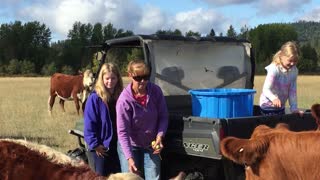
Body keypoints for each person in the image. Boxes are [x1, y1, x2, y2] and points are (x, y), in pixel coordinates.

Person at [116, 60, 168, 180]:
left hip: (151, 144)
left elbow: (163, 116)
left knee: (153, 177)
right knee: (130, 177)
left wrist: (160, 136)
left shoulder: (156, 91)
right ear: (130, 75)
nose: (143, 81)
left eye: (146, 77)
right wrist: (129, 158)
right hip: (130, 145)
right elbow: (122, 132)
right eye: (138, 78)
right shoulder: (124, 101)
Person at [84, 62, 123, 176]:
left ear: (118, 78)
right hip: (102, 147)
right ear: (102, 78)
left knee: (118, 176)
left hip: (118, 145)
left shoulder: (121, 96)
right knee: (102, 176)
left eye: (113, 78)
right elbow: (89, 123)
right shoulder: (95, 98)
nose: (110, 81)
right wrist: (95, 144)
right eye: (107, 78)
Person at [259, 41, 303, 116]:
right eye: (290, 60)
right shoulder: (274, 68)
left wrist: (294, 108)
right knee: (272, 126)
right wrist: (273, 98)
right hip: (267, 106)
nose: (292, 63)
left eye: (295, 61)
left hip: (280, 107)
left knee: (281, 126)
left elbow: (292, 92)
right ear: (282, 56)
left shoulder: (294, 71)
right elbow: (266, 89)